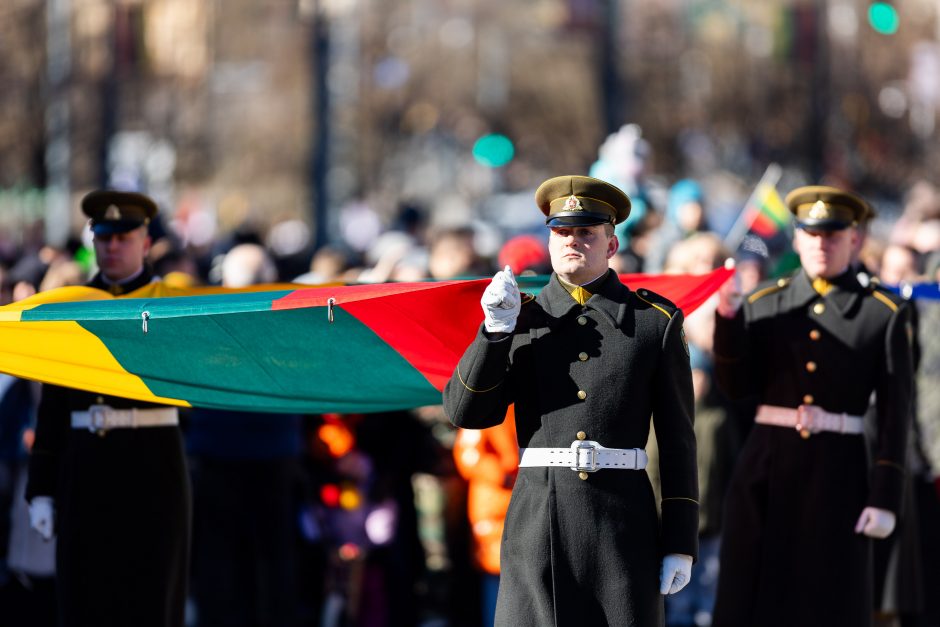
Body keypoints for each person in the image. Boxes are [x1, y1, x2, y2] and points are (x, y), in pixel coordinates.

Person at [443, 175, 699, 626]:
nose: (572, 242)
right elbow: (467, 412)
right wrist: (493, 334)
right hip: (538, 522)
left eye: (586, 232)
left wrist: (680, 541)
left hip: (621, 529)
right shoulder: (522, 318)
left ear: (611, 244)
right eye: (561, 232)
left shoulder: (652, 323)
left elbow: (678, 441)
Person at [711, 185, 914, 627]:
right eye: (812, 234)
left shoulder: (882, 312)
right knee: (752, 600)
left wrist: (886, 497)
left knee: (831, 602)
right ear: (798, 238)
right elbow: (736, 386)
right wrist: (727, 320)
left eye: (834, 235)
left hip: (840, 478)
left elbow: (898, 413)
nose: (822, 244)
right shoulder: (765, 303)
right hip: (765, 471)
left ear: (853, 239)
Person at [25, 190, 191, 627]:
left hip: (154, 466)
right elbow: (54, 404)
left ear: (145, 241)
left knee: (151, 598)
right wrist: (40, 487)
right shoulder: (73, 305)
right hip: (87, 467)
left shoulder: (174, 305)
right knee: (87, 600)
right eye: (103, 238)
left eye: (123, 237)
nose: (112, 247)